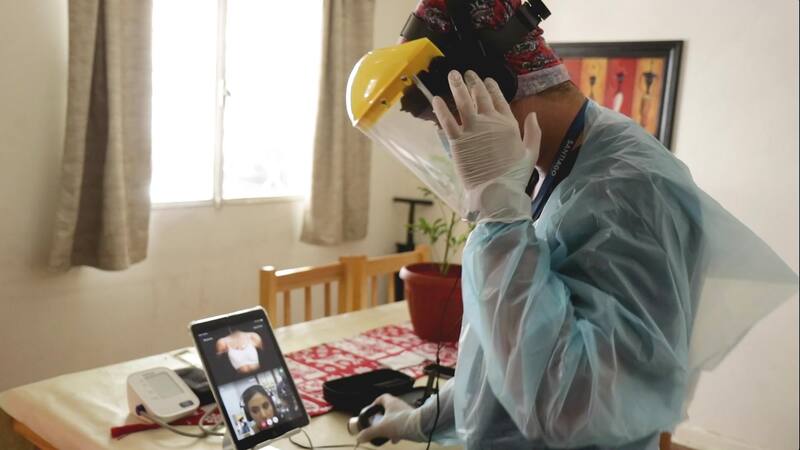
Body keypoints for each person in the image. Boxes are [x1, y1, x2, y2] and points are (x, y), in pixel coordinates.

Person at [351, 1, 798, 449]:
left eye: (444, 120)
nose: (449, 140)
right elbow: (511, 350)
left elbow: (570, 403)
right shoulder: (561, 166)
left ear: (493, 85)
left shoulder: (627, 192)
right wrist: (422, 420)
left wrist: (500, 220)